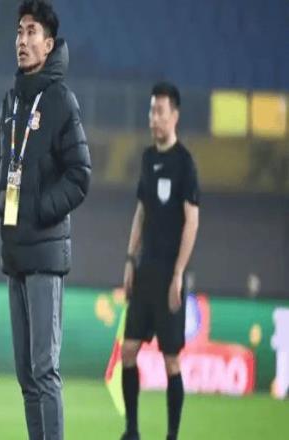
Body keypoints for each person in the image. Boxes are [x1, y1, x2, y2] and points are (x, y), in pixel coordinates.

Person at [0, 1, 91, 439]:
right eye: (19, 31)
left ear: (49, 44)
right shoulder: (12, 101)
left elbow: (80, 175)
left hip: (45, 255)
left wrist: (39, 209)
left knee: (44, 369)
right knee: (26, 374)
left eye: (31, 32)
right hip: (16, 253)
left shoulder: (61, 101)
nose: (21, 40)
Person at [120, 82, 200, 440]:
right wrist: (129, 259)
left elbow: (192, 221)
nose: (154, 118)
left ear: (175, 116)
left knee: (171, 359)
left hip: (170, 275)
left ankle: (171, 435)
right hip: (146, 271)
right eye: (151, 111)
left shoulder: (185, 163)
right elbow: (141, 212)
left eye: (160, 112)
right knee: (129, 350)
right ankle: (132, 431)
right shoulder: (147, 158)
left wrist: (179, 273)